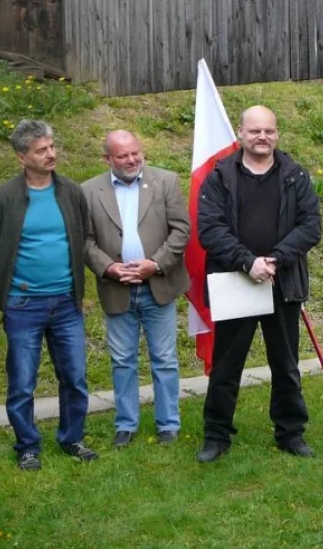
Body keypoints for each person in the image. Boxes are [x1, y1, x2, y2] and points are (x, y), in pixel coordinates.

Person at [195, 105, 322, 462]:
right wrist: (248, 262)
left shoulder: (296, 175)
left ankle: (290, 433)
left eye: (268, 130)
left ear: (277, 133)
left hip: (282, 283)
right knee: (226, 364)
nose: (261, 137)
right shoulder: (220, 176)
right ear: (241, 133)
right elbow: (210, 229)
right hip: (235, 281)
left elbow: (311, 225)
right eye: (254, 131)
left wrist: (276, 259)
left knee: (285, 363)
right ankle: (216, 436)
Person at [0, 119, 97, 470]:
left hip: (66, 303)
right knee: (22, 382)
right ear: (21, 156)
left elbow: (83, 232)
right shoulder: (3, 199)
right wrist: (17, 277)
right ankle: (27, 445)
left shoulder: (71, 192)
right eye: (41, 150)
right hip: (23, 304)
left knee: (74, 376)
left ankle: (72, 437)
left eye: (52, 147)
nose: (51, 154)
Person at [82, 130, 190, 447]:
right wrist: (109, 268)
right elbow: (85, 241)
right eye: (122, 156)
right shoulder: (88, 191)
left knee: (165, 358)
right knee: (122, 360)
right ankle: (126, 425)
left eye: (135, 153)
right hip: (117, 289)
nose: (131, 160)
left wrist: (154, 264)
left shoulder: (166, 181)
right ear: (107, 159)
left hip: (159, 284)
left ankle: (168, 424)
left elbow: (181, 230)